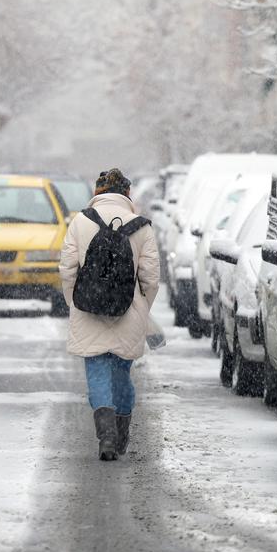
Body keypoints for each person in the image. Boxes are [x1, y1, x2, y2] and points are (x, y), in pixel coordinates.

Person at [58, 168, 160, 461]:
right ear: (127, 194)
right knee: (121, 372)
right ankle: (121, 430)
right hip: (128, 310)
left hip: (88, 308)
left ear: (98, 192)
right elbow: (151, 278)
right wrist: (141, 307)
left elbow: (67, 270)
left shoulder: (80, 222)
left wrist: (76, 301)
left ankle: (106, 436)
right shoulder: (142, 226)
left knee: (97, 371)